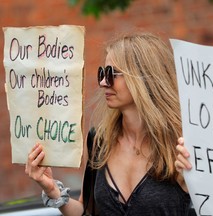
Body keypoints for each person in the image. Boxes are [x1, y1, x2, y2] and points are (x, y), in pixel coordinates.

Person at [25, 32, 195, 216]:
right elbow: (87, 211)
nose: (104, 82)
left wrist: (192, 181)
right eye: (102, 73)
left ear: (143, 77)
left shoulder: (181, 146)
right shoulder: (99, 141)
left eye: (111, 74)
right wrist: (52, 191)